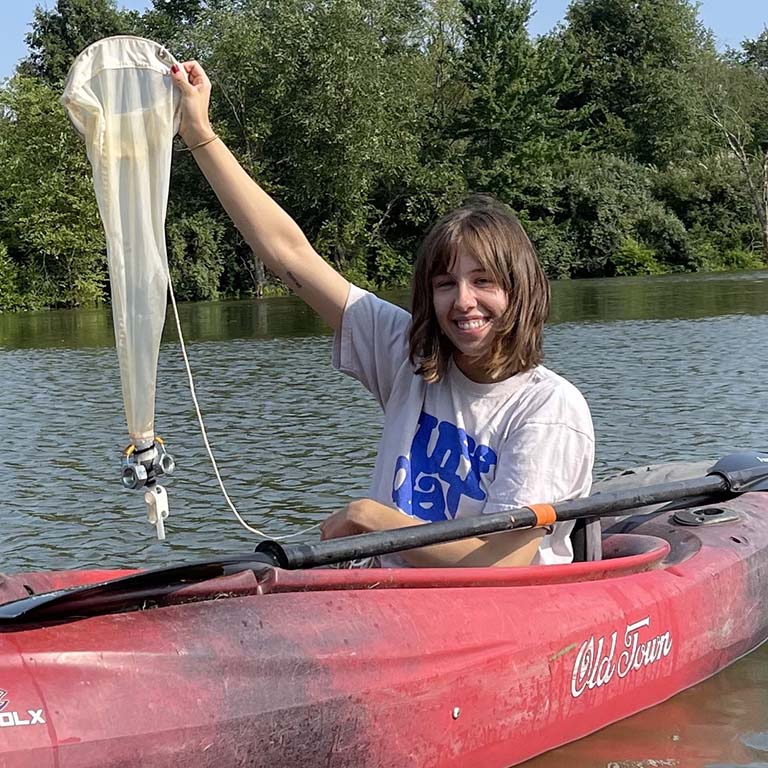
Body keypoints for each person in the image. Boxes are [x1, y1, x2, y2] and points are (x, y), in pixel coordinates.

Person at [170, 60, 595, 568]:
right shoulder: (408, 353)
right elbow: (289, 256)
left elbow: (499, 563)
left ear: (520, 290)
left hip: (489, 618)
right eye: (445, 284)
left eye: (483, 281)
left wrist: (371, 518)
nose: (463, 301)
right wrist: (199, 133)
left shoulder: (550, 409)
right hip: (381, 599)